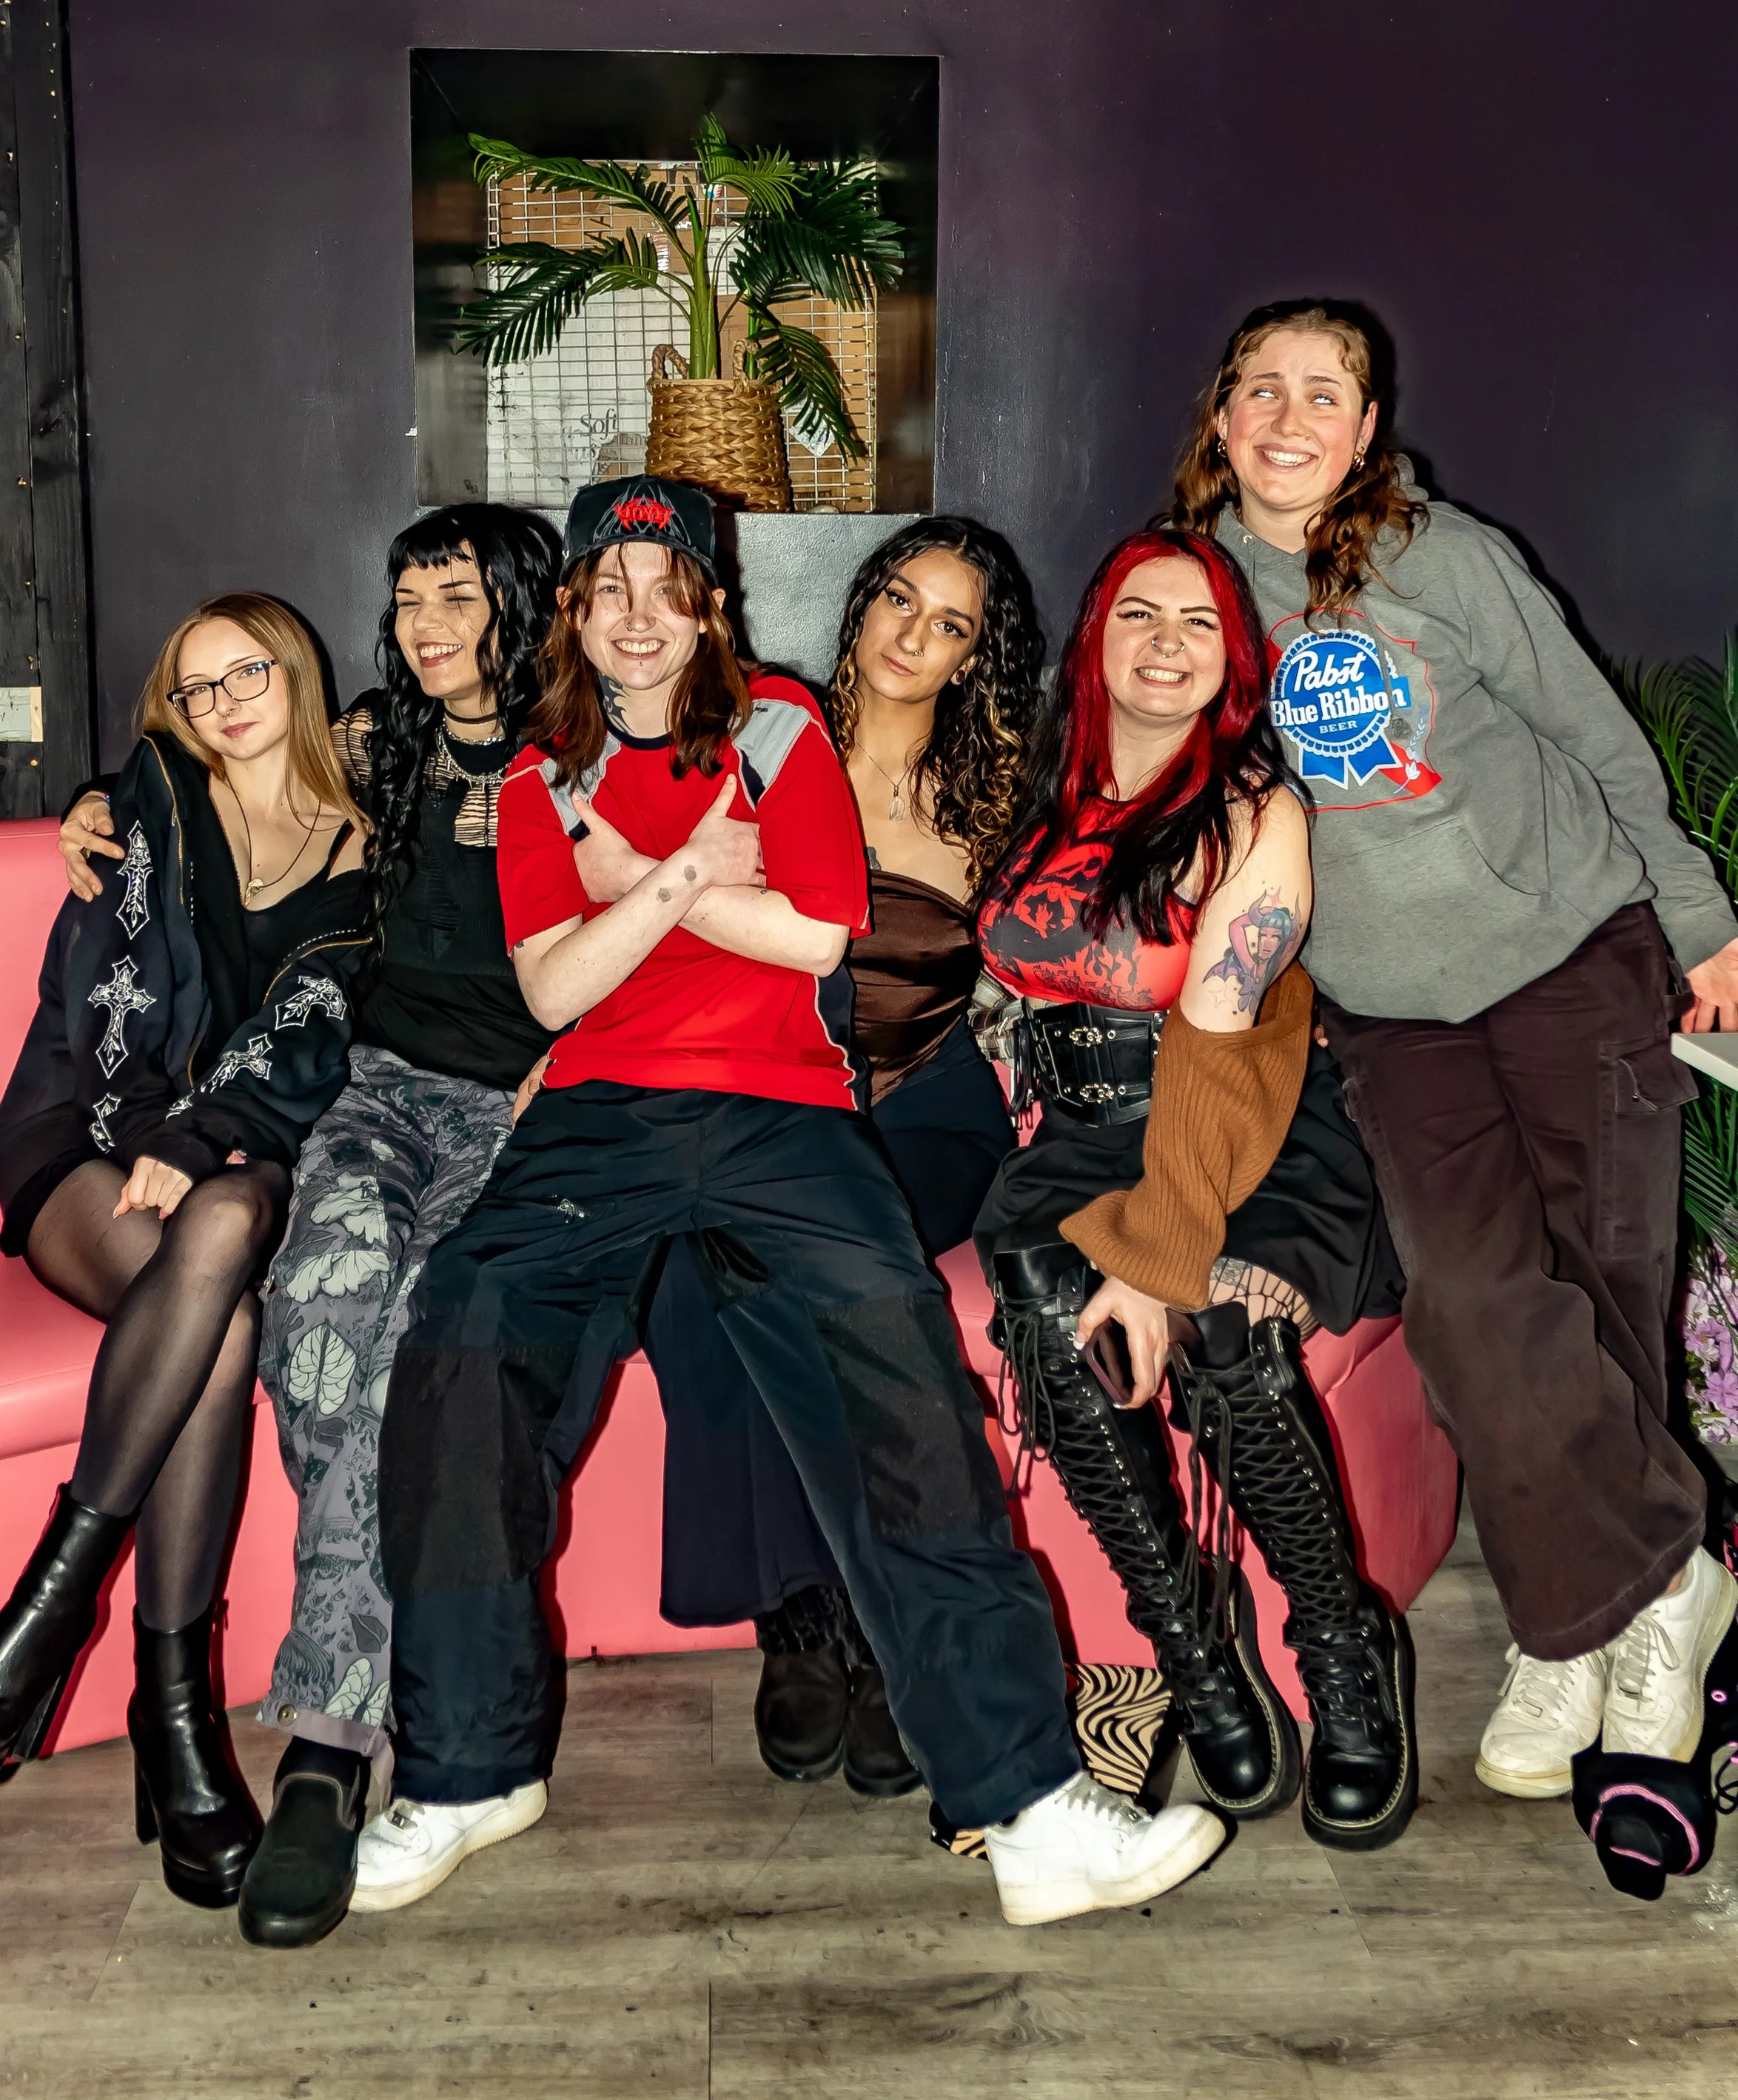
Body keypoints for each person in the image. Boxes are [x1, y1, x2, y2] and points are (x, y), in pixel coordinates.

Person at [355, 474, 1226, 1928]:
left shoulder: (777, 723)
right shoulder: (532, 773)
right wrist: (697, 872)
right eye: (610, 587)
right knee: (461, 1341)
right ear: (575, 604)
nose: (639, 616)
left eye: (668, 585)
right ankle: (461, 1771)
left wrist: (631, 878)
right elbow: (554, 986)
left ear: (709, 600)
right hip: (596, 1114)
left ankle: (1023, 1804)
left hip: (783, 1115)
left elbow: (816, 928)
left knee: (899, 1389)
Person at [1170, 297, 1738, 1811]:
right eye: (1258, 390)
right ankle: (1665, 1582)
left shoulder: (1443, 557)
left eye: (1322, 395)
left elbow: (1600, 737)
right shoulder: (1190, 592)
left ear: (1364, 431)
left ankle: (1570, 1636)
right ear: (1220, 418)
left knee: (1603, 1305)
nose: (1285, 419)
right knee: (1476, 1305)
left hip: (1571, 960)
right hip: (1389, 1010)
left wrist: (1697, 921)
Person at [55, 502, 561, 1950]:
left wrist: (566, 1075)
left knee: (413, 1350)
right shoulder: (377, 744)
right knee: (325, 1328)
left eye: (455, 594)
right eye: (406, 596)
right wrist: (99, 799)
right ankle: (350, 1740)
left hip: (523, 1118)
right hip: (374, 1102)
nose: (423, 622)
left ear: (515, 604)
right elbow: (217, 769)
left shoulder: (580, 762)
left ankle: (329, 1751)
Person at [0, 597, 371, 1913]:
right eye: (195, 685)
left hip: (224, 1160)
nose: (221, 703)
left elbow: (316, 1033)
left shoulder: (360, 848)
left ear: (299, 678)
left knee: (219, 1253)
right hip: (81, 1143)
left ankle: (51, 1647)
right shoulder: (142, 808)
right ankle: (178, 1716)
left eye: (247, 673)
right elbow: (99, 1015)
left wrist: (212, 1135)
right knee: (211, 1282)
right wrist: (168, 1131)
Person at [974, 527, 1416, 1851]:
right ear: (1095, 637)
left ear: (1236, 658)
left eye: (1200, 623)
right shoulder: (1046, 787)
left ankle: (1342, 1643)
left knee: (1219, 1322)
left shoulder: (1252, 803)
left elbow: (1219, 1040)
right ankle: (1193, 1644)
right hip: (1081, 1134)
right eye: (1137, 615)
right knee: (1053, 1310)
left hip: (1252, 1126)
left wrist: (1162, 1258)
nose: (1165, 641)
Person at [645, 517, 1043, 1796]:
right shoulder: (756, 742)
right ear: (863, 601)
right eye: (900, 600)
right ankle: (803, 1610)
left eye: (953, 625)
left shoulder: (1001, 795)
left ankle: (888, 1624)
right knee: (716, 1274)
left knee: (840, 1268)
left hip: (926, 1101)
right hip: (767, 1094)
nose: (913, 636)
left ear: (978, 658)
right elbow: (570, 750)